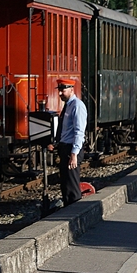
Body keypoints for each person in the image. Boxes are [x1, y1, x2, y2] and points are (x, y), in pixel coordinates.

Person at [53, 78, 87, 208]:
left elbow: (79, 131)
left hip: (71, 150)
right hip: (65, 148)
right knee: (66, 183)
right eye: (60, 90)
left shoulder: (77, 106)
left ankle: (74, 211)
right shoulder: (68, 106)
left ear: (71, 90)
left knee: (71, 184)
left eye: (63, 90)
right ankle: (68, 207)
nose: (60, 93)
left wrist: (74, 154)